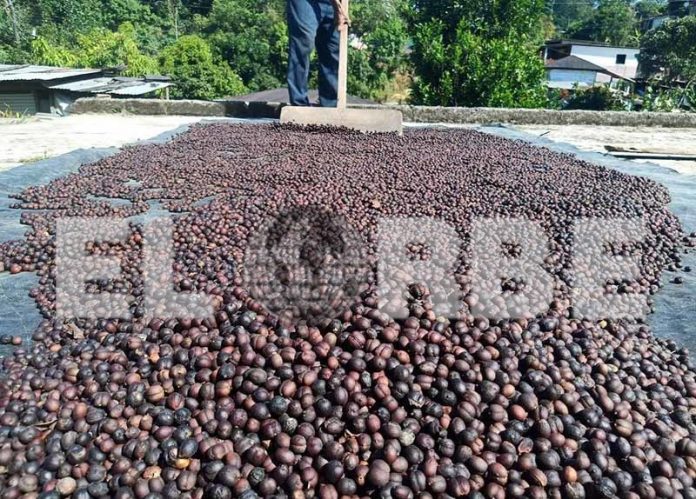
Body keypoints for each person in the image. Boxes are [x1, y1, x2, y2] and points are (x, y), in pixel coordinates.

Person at [287, 0, 350, 107]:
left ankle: (330, 106)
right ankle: (299, 104)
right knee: (304, 42)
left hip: (332, 4)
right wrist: (337, 8)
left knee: (334, 48)